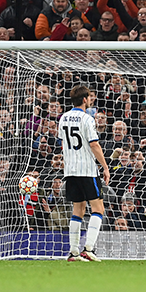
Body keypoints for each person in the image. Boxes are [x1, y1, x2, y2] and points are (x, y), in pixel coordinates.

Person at [59, 86, 111, 262]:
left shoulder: (63, 118)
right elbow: (94, 145)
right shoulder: (87, 119)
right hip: (87, 170)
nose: (90, 100)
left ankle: (73, 252)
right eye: (89, 97)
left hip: (71, 170)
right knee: (98, 208)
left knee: (78, 210)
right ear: (84, 100)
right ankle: (88, 249)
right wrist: (104, 166)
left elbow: (63, 143)